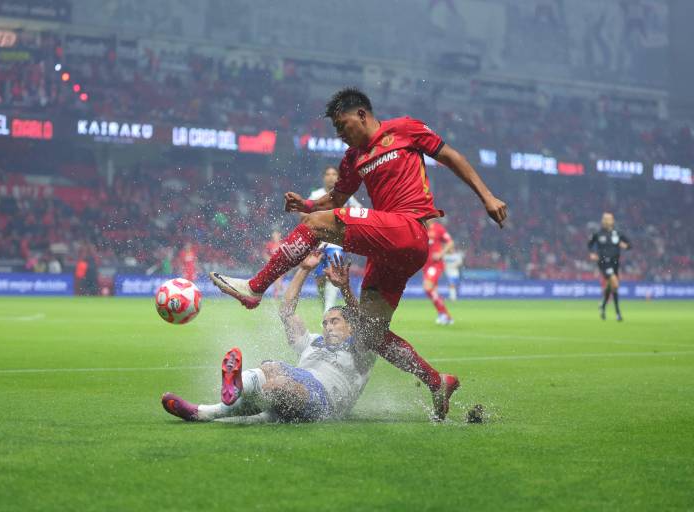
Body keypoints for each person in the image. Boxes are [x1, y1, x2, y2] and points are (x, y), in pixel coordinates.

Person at [210, 88, 506, 420]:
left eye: (342, 125)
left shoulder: (405, 129)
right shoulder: (353, 158)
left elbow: (451, 156)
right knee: (369, 334)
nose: (340, 134)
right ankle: (437, 382)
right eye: (335, 129)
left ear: (362, 115)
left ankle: (255, 288)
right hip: (391, 251)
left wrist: (487, 197)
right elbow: (336, 199)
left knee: (315, 225)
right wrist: (307, 204)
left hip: (409, 228)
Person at [162, 251, 377, 423]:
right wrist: (303, 270)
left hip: (326, 400)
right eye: (325, 323)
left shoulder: (361, 348)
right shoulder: (313, 341)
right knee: (271, 368)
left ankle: (213, 408)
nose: (328, 327)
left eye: (335, 321)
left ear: (351, 327)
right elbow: (287, 313)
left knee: (277, 386)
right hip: (300, 380)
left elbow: (364, 325)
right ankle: (232, 393)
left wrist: (345, 289)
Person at [308, 166, 362, 312]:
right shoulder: (316, 195)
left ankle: (327, 311)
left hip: (336, 242)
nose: (331, 177)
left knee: (334, 271)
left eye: (334, 174)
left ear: (338, 178)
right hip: (318, 242)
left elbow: (360, 211)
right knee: (320, 280)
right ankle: (325, 306)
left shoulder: (346, 196)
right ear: (323, 178)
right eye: (328, 174)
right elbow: (304, 215)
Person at [588, 212, 631, 321]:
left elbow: (629, 245)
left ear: (612, 221)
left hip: (615, 262)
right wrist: (592, 253)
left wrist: (625, 246)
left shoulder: (618, 233)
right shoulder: (598, 234)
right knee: (615, 283)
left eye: (608, 219)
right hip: (603, 262)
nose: (606, 221)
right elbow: (590, 244)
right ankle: (618, 313)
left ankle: (603, 306)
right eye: (605, 219)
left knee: (611, 286)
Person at [423, 219, 455, 325]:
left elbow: (450, 242)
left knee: (427, 287)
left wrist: (441, 253)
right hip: (426, 265)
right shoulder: (422, 228)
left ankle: (444, 314)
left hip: (435, 264)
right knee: (433, 292)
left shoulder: (438, 228)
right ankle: (445, 316)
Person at [264, 230, 286, 298]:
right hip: (273, 265)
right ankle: (282, 292)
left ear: (279, 235)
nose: (275, 237)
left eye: (276, 235)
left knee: (277, 279)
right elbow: (265, 254)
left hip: (281, 265)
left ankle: (279, 293)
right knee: (276, 280)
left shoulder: (283, 244)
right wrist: (270, 259)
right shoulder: (270, 244)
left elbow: (286, 254)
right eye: (273, 235)